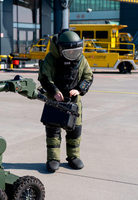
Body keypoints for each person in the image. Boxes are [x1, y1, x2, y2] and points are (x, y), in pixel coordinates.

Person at [38, 30, 93, 172]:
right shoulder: (51, 58)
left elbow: (88, 76)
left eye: (75, 51)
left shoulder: (81, 60)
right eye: (68, 51)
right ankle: (53, 158)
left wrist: (79, 90)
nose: (72, 54)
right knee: (53, 132)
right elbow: (45, 77)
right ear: (60, 48)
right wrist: (54, 91)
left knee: (75, 131)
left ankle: (74, 157)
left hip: (74, 103)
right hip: (55, 101)